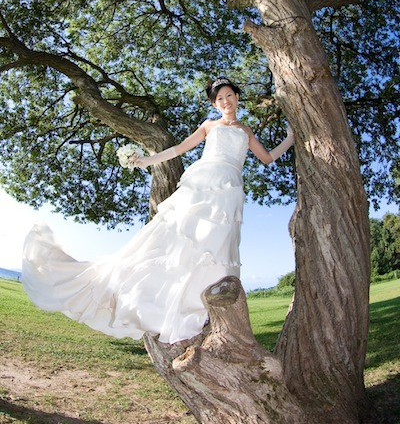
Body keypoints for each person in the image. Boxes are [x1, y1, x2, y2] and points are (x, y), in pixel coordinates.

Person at [22, 77, 294, 345]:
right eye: (219, 98)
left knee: (220, 240)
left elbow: (268, 157)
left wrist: (291, 138)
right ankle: (175, 300)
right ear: (214, 104)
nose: (226, 101)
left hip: (231, 187)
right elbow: (178, 149)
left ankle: (205, 304)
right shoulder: (209, 126)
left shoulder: (246, 131)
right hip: (204, 182)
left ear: (237, 97)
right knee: (186, 238)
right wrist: (146, 160)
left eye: (229, 95)